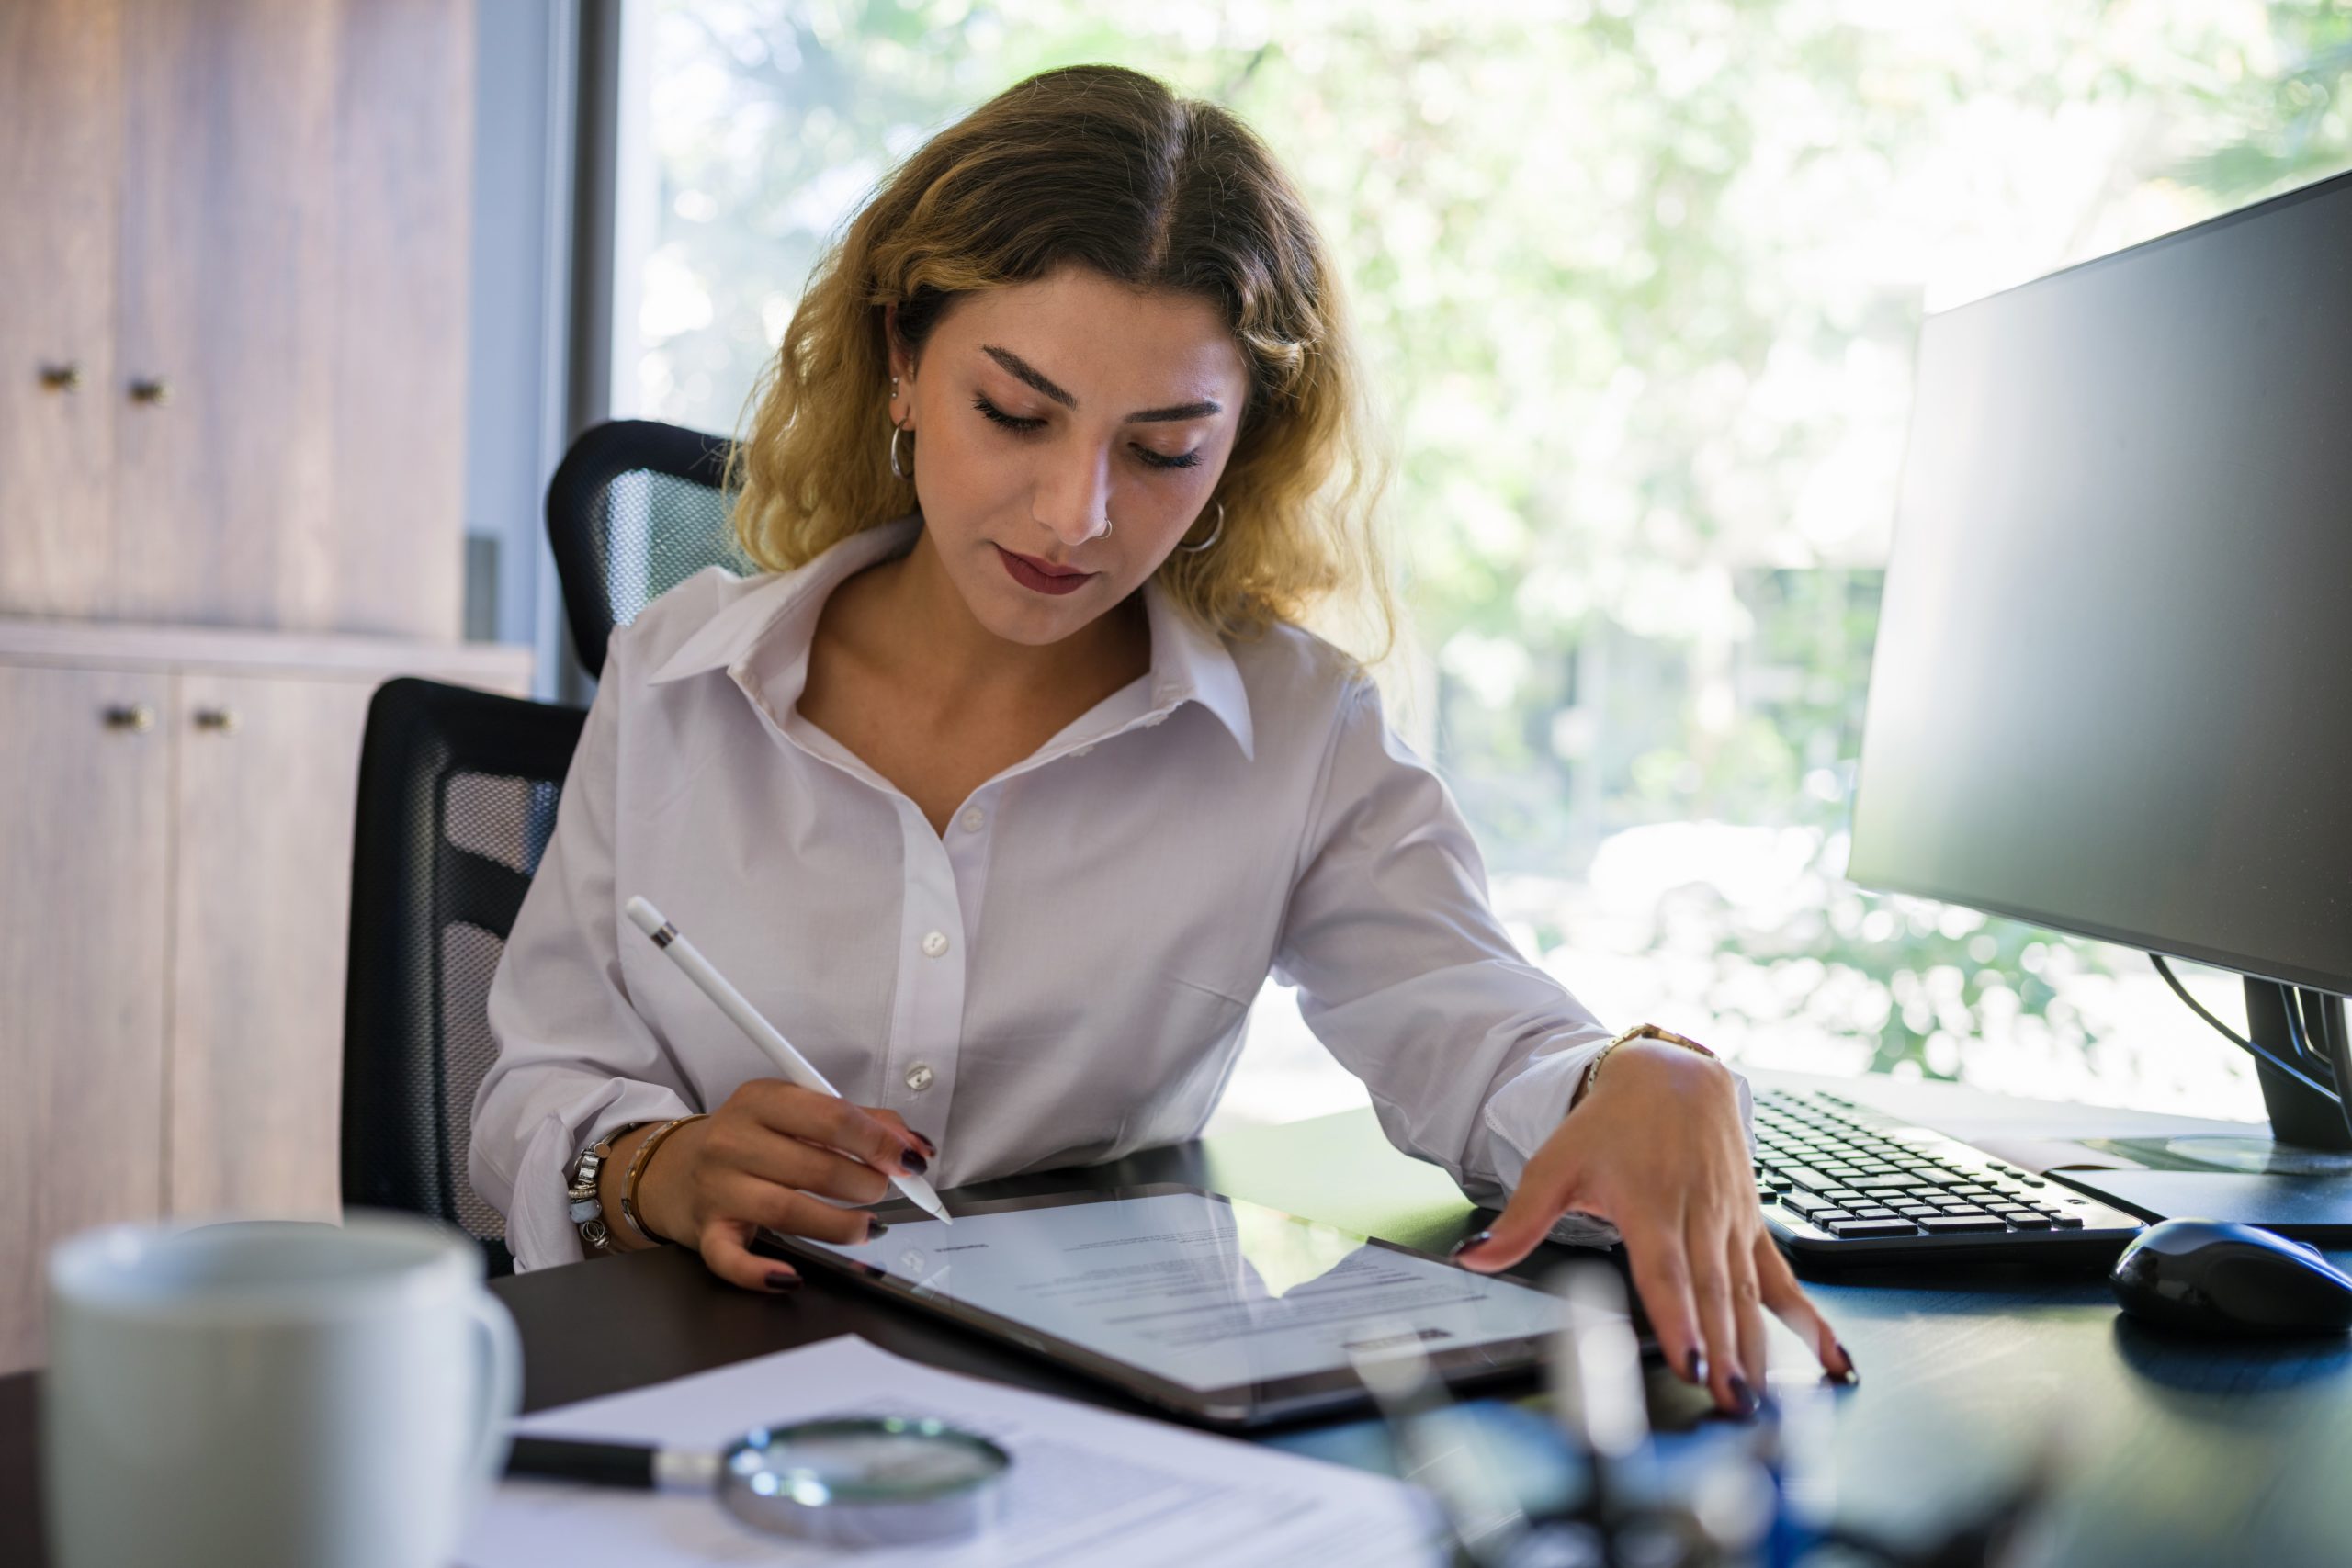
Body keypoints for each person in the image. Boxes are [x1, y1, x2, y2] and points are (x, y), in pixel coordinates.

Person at [470, 62, 1852, 1416]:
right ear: (902, 359)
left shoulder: (1299, 732)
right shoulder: (680, 677)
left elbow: (1474, 1035)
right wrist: (653, 1167)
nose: (1076, 514)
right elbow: (536, 1089)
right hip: (704, 1392)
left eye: (1164, 449)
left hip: (1079, 1415)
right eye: (1014, 413)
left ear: (1243, 439)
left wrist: (1628, 1081)